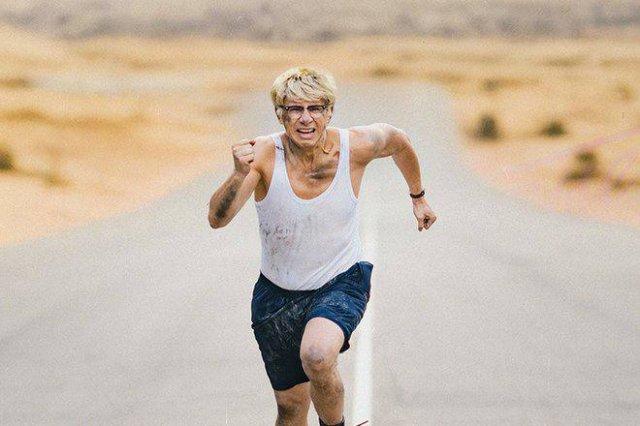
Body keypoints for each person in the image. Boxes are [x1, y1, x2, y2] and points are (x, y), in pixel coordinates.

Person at [207, 66, 436, 426]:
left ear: (329, 111)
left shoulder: (355, 146)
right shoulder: (263, 155)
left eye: (315, 108)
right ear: (280, 114)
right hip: (276, 296)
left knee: (317, 355)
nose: (306, 118)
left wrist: (418, 196)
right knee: (290, 409)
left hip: (340, 281)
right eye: (294, 109)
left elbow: (398, 140)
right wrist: (238, 174)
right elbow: (217, 219)